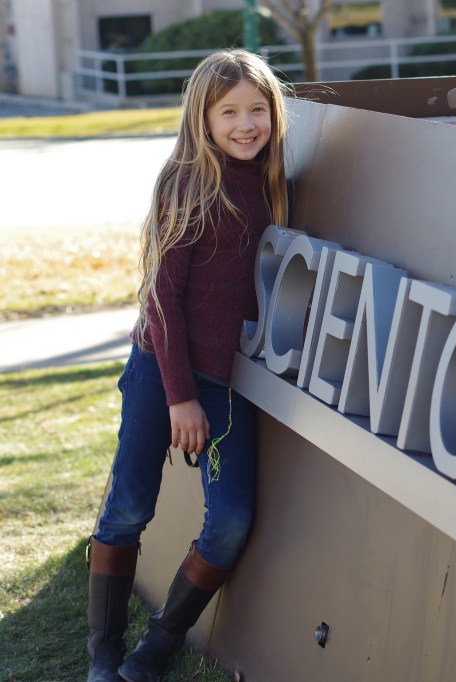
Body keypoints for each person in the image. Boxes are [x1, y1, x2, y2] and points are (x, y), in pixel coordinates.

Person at [85, 49, 290, 682]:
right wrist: (179, 398)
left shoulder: (274, 183)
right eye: (228, 112)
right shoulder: (186, 184)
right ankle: (104, 652)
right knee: (128, 506)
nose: (245, 124)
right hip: (162, 370)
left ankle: (158, 644)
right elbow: (161, 298)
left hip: (230, 384)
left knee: (230, 522)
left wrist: (207, 394)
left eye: (258, 109)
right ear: (201, 118)